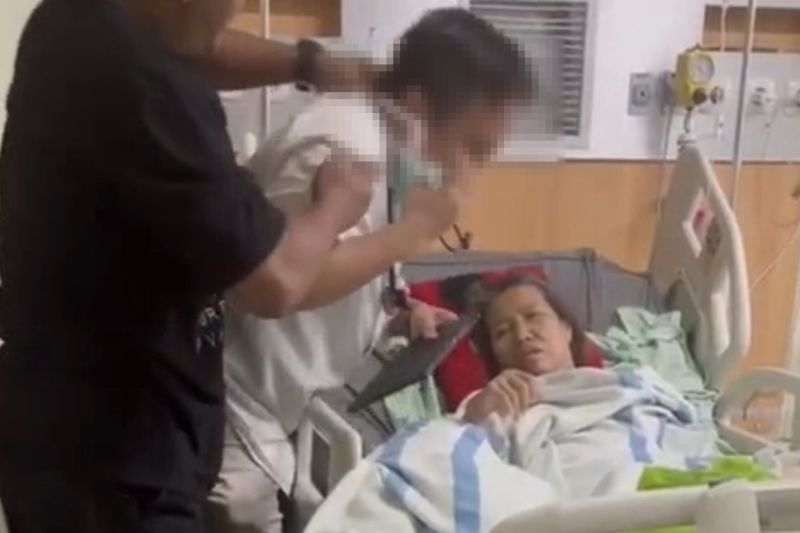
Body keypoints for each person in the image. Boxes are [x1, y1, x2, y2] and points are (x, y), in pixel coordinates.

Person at [0, 0, 377, 532]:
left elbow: (199, 46)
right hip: (115, 464)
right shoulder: (139, 78)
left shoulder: (79, 21)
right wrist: (341, 207)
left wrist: (310, 64)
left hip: (83, 438)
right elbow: (276, 282)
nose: (233, 14)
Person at [209, 8, 534, 533]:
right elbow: (278, 283)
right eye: (473, 148)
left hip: (271, 409)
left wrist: (396, 312)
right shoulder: (343, 146)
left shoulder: (385, 149)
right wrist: (413, 230)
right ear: (418, 107)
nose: (473, 171)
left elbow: (352, 258)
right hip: (234, 407)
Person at [462, 273, 587, 424]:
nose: (522, 335)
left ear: (567, 328)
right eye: (503, 331)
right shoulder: (480, 408)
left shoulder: (609, 388)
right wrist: (476, 418)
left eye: (533, 316)